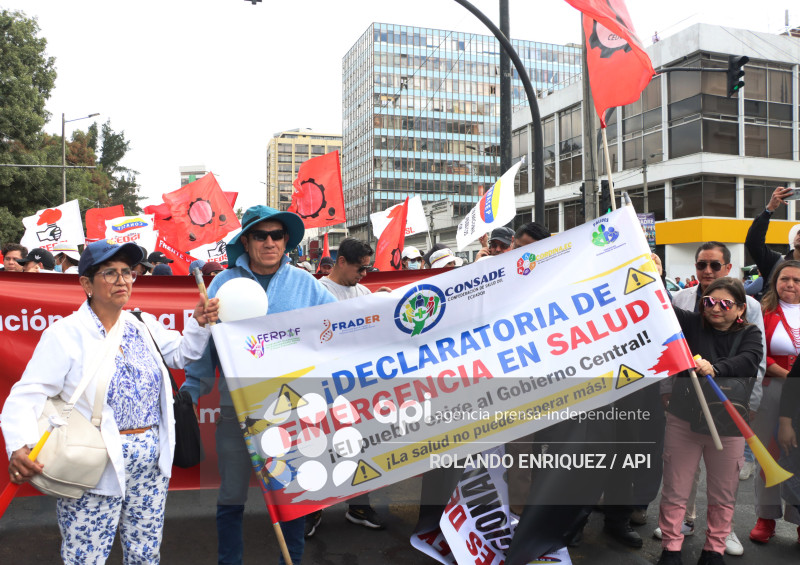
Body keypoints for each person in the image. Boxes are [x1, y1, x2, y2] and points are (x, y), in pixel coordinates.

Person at [2, 240, 218, 564]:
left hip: (150, 465)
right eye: (110, 273)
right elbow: (28, 393)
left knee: (145, 551)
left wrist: (199, 322)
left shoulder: (141, 324)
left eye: (127, 272)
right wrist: (18, 445)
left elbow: (181, 352)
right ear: (86, 283)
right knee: (86, 555)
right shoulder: (66, 334)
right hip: (95, 465)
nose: (122, 280)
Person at [181, 205, 336, 565]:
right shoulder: (221, 284)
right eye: (260, 235)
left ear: (285, 242)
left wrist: (385, 309)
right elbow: (206, 343)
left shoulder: (305, 284)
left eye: (277, 235)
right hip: (236, 412)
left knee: (295, 500)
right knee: (231, 499)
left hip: (292, 413)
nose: (269, 242)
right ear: (246, 242)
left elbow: (341, 325)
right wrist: (191, 388)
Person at [658, 241, 767, 556]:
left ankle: (714, 549)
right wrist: (654, 275)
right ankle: (671, 547)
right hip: (683, 420)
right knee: (676, 489)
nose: (716, 308)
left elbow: (748, 361)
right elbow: (661, 307)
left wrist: (715, 367)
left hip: (729, 424)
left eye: (725, 304)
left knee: (723, 493)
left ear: (741, 308)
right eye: (709, 302)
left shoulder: (750, 333)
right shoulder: (691, 324)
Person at [306, 238, 385, 538]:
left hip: (358, 385)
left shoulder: (364, 292)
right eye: (360, 268)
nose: (364, 275)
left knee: (360, 445)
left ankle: (358, 506)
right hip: (325, 385)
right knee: (321, 448)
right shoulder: (319, 291)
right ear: (341, 262)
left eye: (367, 268)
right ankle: (313, 508)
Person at [749, 260, 800, 544]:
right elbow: (756, 351)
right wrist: (788, 373)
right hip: (773, 389)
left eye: (796, 280)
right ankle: (766, 517)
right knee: (767, 455)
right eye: (784, 279)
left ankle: (799, 519)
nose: (790, 285)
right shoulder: (764, 312)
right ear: (775, 282)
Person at [745, 186, 800, 296]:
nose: (790, 285)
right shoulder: (774, 262)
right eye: (799, 232)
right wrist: (768, 210)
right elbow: (753, 243)